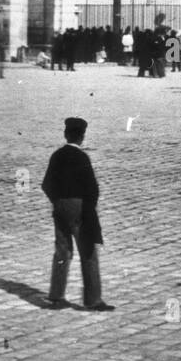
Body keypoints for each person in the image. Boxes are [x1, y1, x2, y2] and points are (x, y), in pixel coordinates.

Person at [41, 118, 113, 311]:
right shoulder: (82, 158)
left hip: (59, 207)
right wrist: (88, 210)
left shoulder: (57, 155)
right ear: (82, 137)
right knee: (88, 252)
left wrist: (57, 201)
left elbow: (46, 184)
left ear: (66, 135)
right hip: (79, 208)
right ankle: (93, 299)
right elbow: (92, 189)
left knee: (62, 251)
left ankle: (56, 296)